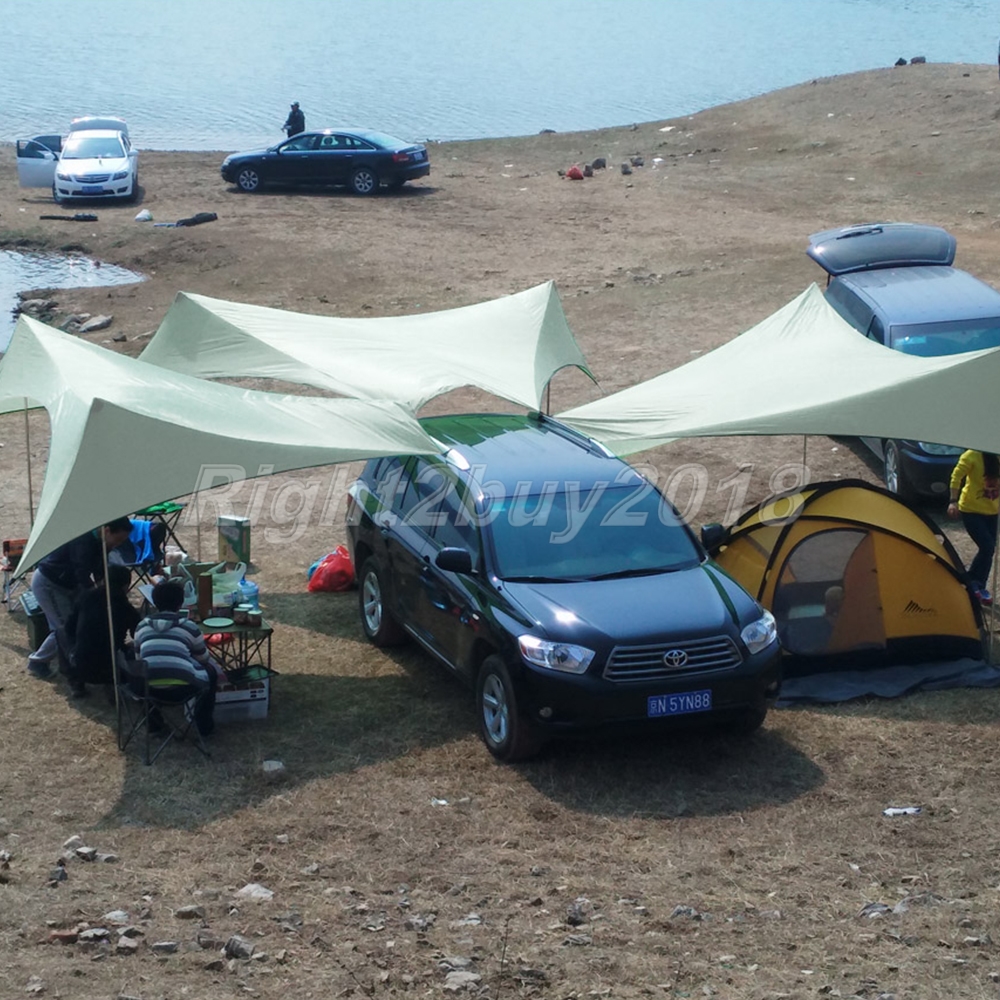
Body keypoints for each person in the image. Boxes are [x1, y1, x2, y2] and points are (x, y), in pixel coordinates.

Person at [26, 517, 133, 679]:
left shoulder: (103, 542)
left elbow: (100, 570)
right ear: (107, 530)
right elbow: (81, 572)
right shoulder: (83, 541)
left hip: (69, 585)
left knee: (77, 624)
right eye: (118, 540)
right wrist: (95, 596)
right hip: (50, 584)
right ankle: (38, 661)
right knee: (64, 628)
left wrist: (104, 588)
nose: (118, 544)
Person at [134, 579, 218, 736]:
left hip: (147, 689)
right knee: (211, 672)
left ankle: (155, 725)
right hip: (182, 690)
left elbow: (139, 660)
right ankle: (204, 726)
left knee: (145, 671)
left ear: (155, 603)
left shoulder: (141, 626)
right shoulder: (189, 626)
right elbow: (203, 659)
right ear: (180, 604)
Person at [60, 564, 141, 698]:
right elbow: (138, 635)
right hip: (112, 669)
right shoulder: (127, 609)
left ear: (103, 580)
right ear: (126, 586)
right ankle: (110, 685)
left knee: (60, 632)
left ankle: (75, 682)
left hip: (81, 665)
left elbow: (69, 628)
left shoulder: (85, 597)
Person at [947, 450, 1000, 605]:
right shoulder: (971, 455)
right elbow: (956, 477)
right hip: (971, 510)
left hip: (993, 512)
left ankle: (978, 584)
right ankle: (971, 580)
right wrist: (953, 501)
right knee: (987, 546)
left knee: (989, 550)